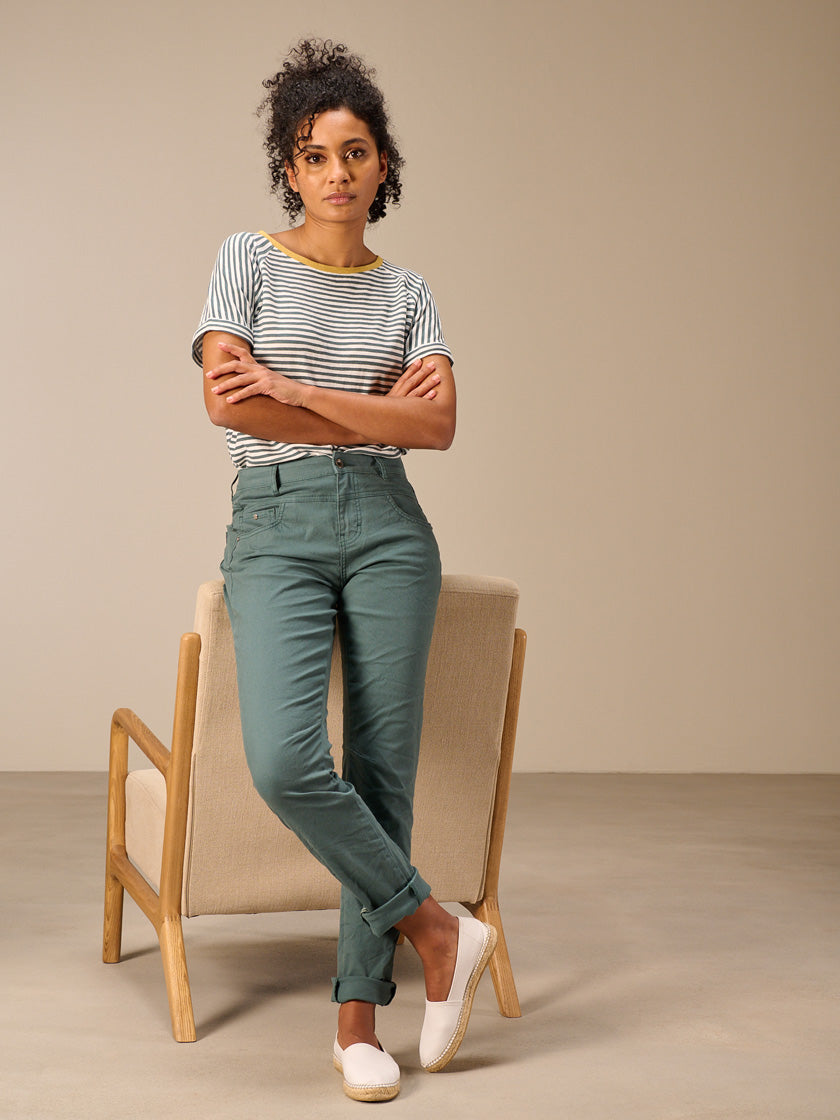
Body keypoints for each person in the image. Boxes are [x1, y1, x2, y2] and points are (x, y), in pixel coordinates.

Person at [192, 39, 497, 1103]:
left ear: (382, 166)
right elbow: (227, 404)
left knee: (382, 769)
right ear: (290, 166)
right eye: (315, 154)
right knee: (286, 760)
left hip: (388, 526)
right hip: (273, 521)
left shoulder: (409, 293)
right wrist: (373, 411)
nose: (336, 171)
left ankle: (358, 1021)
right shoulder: (244, 258)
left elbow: (439, 427)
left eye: (355, 151)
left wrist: (299, 390)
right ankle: (438, 929)